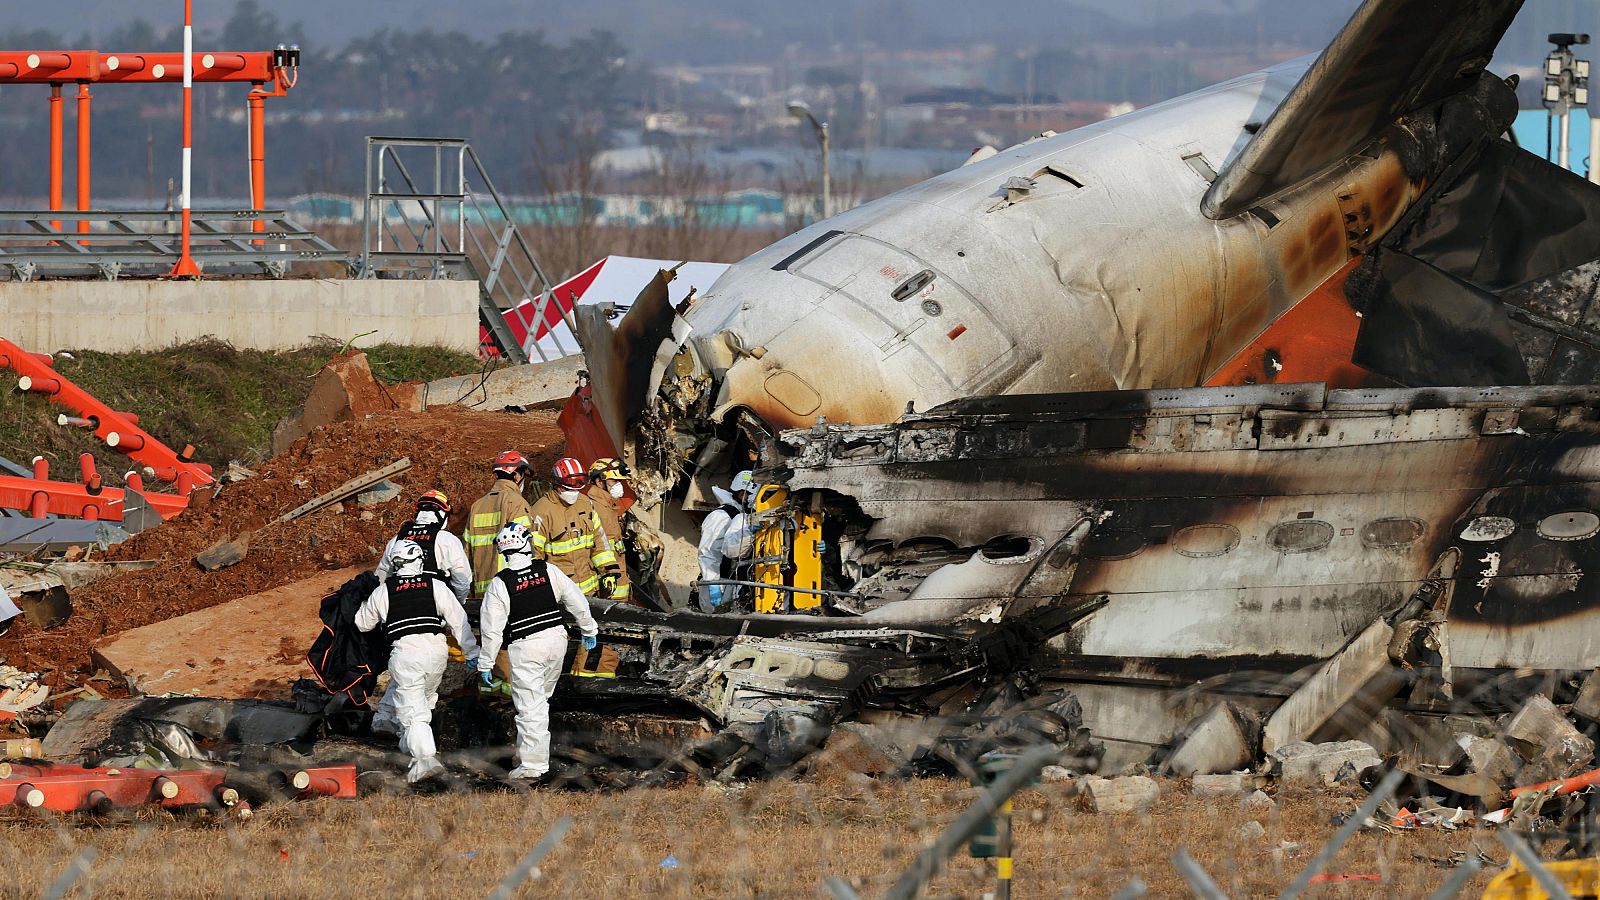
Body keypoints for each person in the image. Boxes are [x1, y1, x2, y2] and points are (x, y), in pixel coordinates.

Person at [476, 522, 599, 781]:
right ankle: (526, 755)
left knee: (531, 708)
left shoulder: (500, 584)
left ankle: (534, 766)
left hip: (526, 646)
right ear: (527, 544)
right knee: (539, 701)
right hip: (556, 640)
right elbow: (575, 599)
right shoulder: (548, 570)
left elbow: (491, 630)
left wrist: (485, 663)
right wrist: (589, 629)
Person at [354, 539, 481, 783]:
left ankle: (425, 761)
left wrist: (360, 601)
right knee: (423, 702)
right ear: (419, 560)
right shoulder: (435, 585)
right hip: (436, 653)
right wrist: (471, 652)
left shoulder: (384, 591)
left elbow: (362, 623)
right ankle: (408, 747)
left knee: (413, 713)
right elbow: (458, 620)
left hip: (407, 654)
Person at [371, 490, 471, 736]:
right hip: (430, 612)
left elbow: (380, 578)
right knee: (422, 674)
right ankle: (415, 731)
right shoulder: (446, 540)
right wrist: (453, 605)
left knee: (406, 665)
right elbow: (463, 579)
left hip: (397, 613)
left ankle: (385, 716)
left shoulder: (396, 540)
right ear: (442, 514)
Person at [527, 457, 620, 595]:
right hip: (562, 594)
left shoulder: (586, 504)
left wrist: (609, 571)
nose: (573, 493)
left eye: (577, 489)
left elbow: (600, 542)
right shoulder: (541, 511)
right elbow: (534, 556)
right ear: (557, 484)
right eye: (569, 488)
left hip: (591, 592)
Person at [464, 450, 535, 599]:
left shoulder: (477, 506)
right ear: (517, 475)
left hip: (482, 592)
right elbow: (526, 546)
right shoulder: (516, 502)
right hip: (511, 588)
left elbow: (467, 551)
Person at [697, 469, 757, 612]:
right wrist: (712, 582)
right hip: (720, 583)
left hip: (734, 582)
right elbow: (708, 552)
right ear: (742, 494)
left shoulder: (746, 517)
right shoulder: (722, 516)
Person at [584, 457, 635, 604]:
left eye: (619, 481)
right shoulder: (594, 508)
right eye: (614, 481)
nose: (619, 485)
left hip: (617, 580)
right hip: (609, 586)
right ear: (599, 482)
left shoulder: (608, 506)